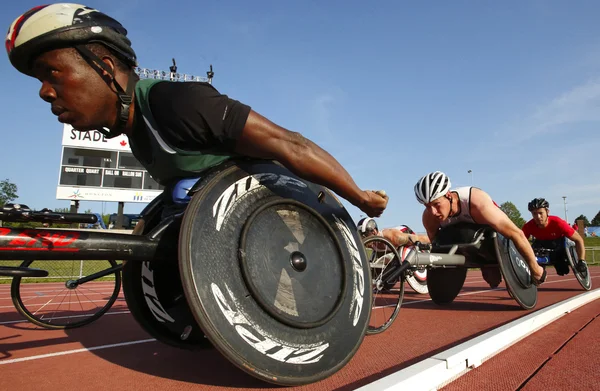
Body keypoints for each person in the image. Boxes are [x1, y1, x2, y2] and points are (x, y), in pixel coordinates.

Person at [6, 3, 388, 219]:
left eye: (51, 73)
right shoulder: (138, 130)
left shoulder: (175, 102)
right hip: (231, 223)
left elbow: (290, 143)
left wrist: (360, 198)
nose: (44, 92)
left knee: (185, 192)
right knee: (175, 199)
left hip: (295, 212)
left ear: (105, 68)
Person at [415, 171, 547, 286]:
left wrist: (535, 269)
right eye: (427, 206)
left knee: (501, 280)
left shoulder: (477, 203)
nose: (433, 212)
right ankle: (486, 265)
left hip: (492, 235)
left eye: (436, 204)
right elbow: (437, 246)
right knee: (493, 281)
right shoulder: (429, 218)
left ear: (449, 195)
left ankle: (494, 264)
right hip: (467, 242)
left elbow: (516, 234)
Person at [523, 198, 587, 276]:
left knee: (562, 270)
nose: (538, 216)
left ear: (547, 212)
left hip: (559, 244)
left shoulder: (558, 223)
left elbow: (579, 240)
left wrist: (581, 260)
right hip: (541, 244)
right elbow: (520, 241)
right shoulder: (529, 226)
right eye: (534, 214)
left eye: (540, 213)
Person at [357, 217, 430, 247]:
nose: (363, 238)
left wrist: (433, 240)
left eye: (365, 235)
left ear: (374, 231)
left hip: (405, 235)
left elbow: (418, 238)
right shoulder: (371, 243)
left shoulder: (392, 237)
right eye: (361, 235)